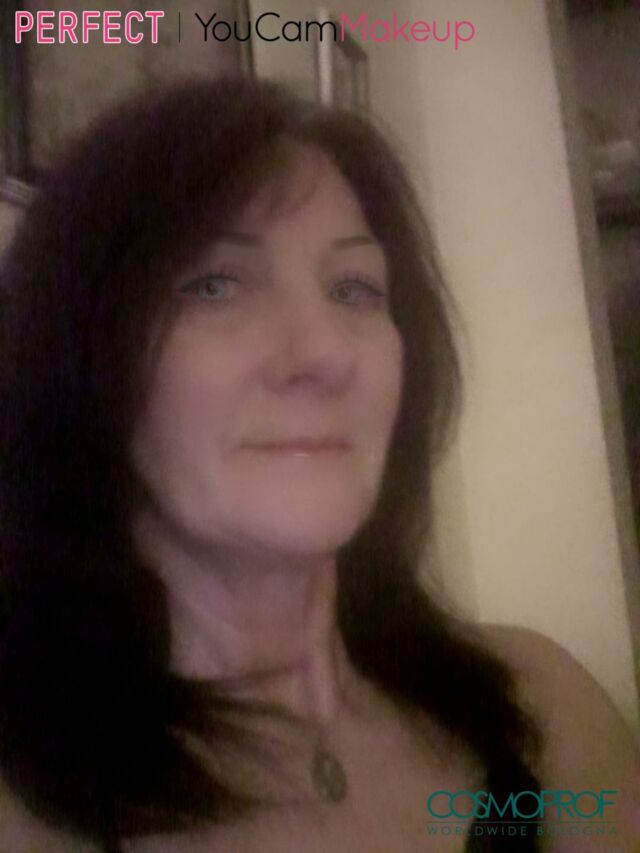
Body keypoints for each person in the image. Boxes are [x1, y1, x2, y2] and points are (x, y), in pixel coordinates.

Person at [0, 75, 637, 853]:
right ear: (77, 352)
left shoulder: (540, 722)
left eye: (354, 288)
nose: (326, 351)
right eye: (215, 284)